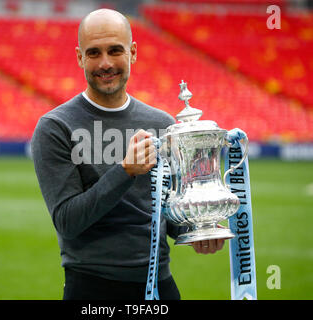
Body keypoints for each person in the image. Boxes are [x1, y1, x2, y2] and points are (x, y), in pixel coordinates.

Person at [31, 8, 225, 300]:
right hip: (92, 288)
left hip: (160, 285)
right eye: (94, 53)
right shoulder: (56, 127)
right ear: (79, 57)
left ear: (133, 52)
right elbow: (68, 222)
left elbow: (168, 217)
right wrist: (124, 171)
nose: (105, 63)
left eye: (115, 50)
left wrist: (198, 227)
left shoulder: (163, 125)